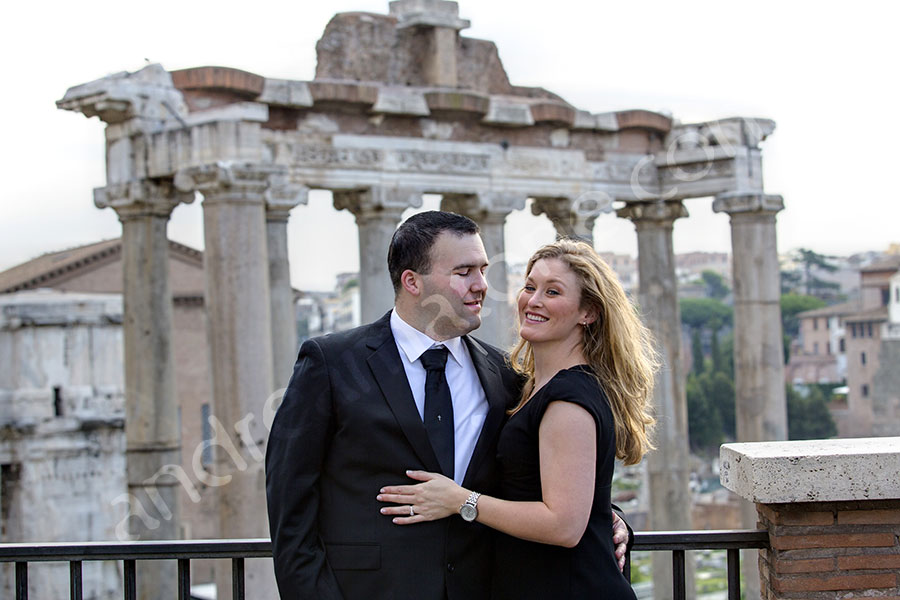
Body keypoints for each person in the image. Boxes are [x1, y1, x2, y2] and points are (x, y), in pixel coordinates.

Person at [266, 212, 630, 600]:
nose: (482, 286)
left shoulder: (506, 376)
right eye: (464, 272)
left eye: (483, 270)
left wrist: (612, 519)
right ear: (413, 282)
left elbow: (549, 481)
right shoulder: (332, 363)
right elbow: (291, 506)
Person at [377, 239, 657, 599]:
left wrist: (461, 500)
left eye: (552, 291)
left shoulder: (567, 399)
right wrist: (606, 515)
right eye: (530, 287)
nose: (534, 300)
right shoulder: (528, 386)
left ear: (588, 312)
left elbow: (564, 526)